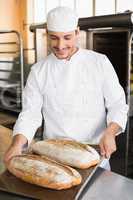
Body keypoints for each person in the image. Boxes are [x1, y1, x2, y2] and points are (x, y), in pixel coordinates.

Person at [4, 6, 128, 169]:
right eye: (54, 38)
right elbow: (30, 114)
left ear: (77, 33)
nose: (60, 45)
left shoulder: (99, 62)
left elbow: (118, 105)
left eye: (67, 37)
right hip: (54, 156)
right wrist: (16, 144)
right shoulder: (39, 71)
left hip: (95, 153)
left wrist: (110, 132)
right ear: (47, 34)